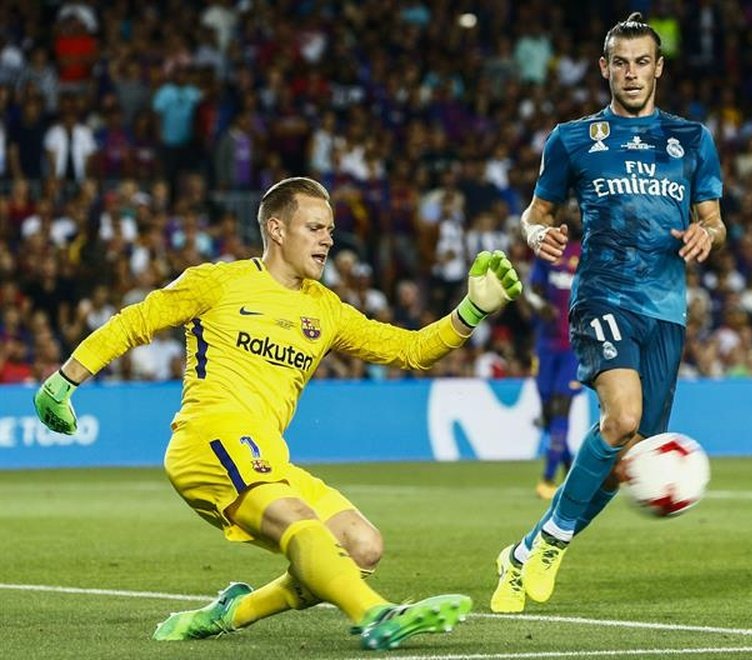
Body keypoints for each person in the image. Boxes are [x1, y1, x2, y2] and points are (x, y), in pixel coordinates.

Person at [33, 176, 523, 650]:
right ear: (277, 230)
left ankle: (231, 613)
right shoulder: (218, 283)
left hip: (267, 455)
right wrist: (63, 382)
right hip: (209, 439)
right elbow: (135, 322)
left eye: (330, 230)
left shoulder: (326, 310)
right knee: (303, 525)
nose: (328, 240)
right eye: (316, 228)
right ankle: (376, 615)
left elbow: (410, 350)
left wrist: (471, 312)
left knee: (361, 545)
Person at [490, 13, 726, 614]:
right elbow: (536, 213)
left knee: (627, 461)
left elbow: (714, 219)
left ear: (659, 68)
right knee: (621, 417)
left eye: (642, 62)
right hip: (603, 293)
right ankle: (554, 543)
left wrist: (708, 234)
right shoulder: (572, 139)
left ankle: (527, 549)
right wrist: (534, 234)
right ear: (604, 68)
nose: (631, 73)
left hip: (667, 311)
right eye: (620, 62)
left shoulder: (691, 139)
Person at [526, 211, 583, 500]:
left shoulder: (587, 255)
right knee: (550, 415)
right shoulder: (548, 251)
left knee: (561, 408)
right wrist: (540, 306)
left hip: (574, 348)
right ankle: (575, 473)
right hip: (546, 347)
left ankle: (547, 479)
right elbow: (531, 291)